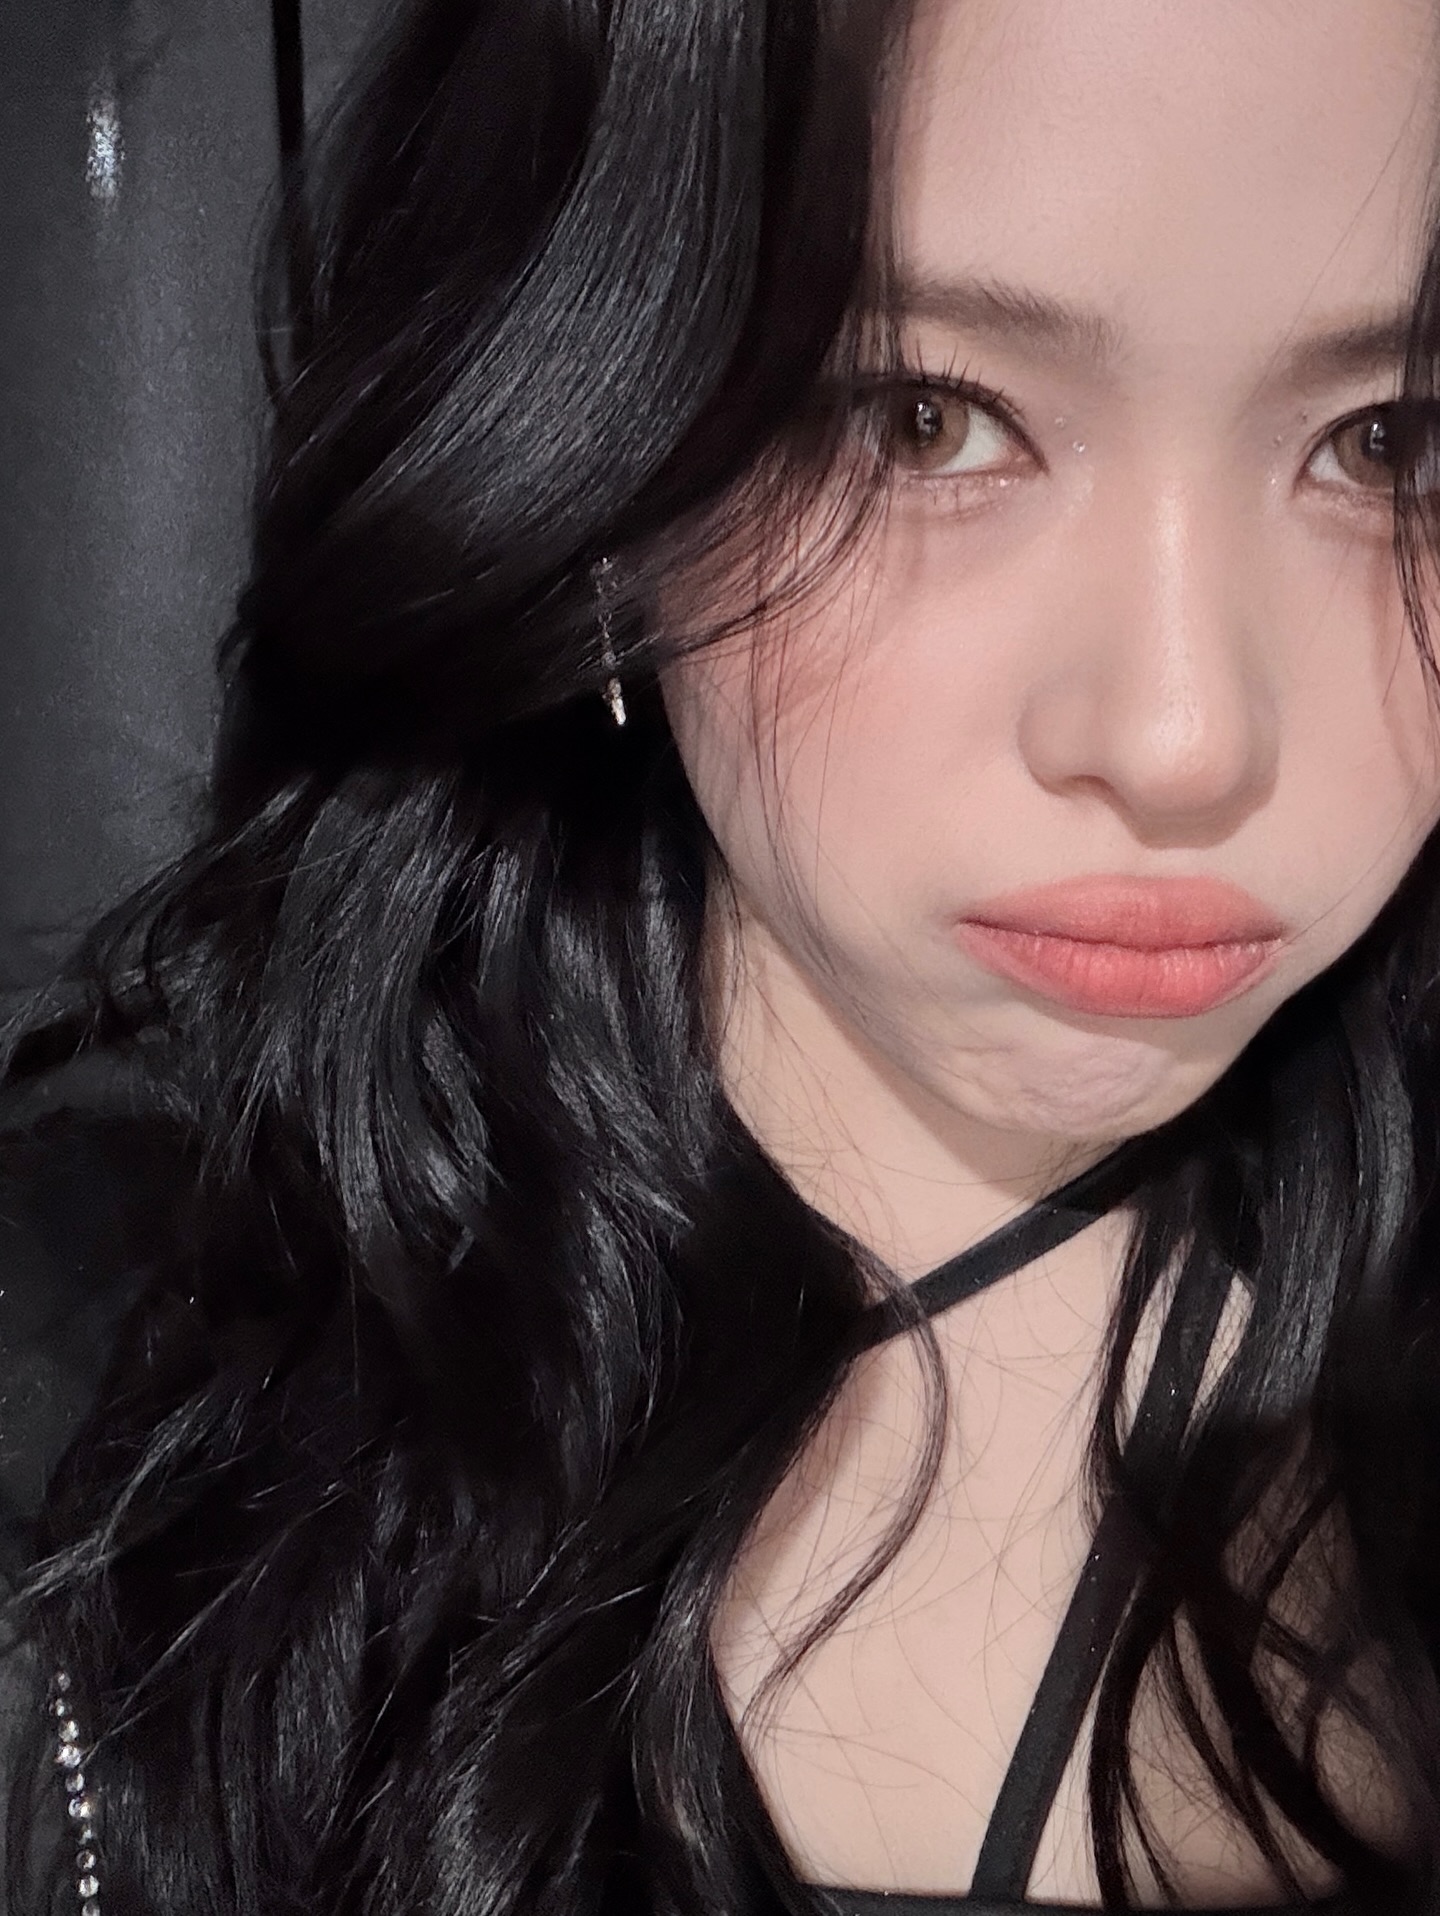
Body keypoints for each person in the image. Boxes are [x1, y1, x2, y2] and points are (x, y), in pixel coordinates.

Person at [4, 0, 1440, 1908]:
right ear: (610, 472)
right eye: (926, 419)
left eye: (1392, 440)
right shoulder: (102, 1370)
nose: (1185, 739)